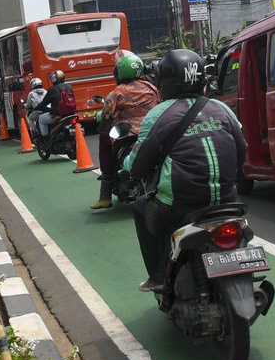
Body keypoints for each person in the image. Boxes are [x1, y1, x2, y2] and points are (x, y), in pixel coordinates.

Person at [124, 49, 247, 292]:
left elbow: (138, 167)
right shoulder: (221, 108)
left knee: (140, 207)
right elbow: (242, 150)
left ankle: (158, 276)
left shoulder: (158, 114)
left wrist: (128, 164)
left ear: (163, 82)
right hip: (227, 200)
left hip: (180, 205)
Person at [91, 50, 160, 209]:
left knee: (104, 140)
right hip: (152, 129)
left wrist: (100, 116)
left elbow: (107, 113)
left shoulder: (118, 92)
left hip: (127, 132)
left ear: (120, 71)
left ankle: (105, 195)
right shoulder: (151, 88)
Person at [36, 70, 76, 146]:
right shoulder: (69, 87)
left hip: (57, 115)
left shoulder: (52, 89)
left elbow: (44, 103)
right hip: (71, 114)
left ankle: (46, 140)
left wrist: (38, 107)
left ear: (53, 79)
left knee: (41, 119)